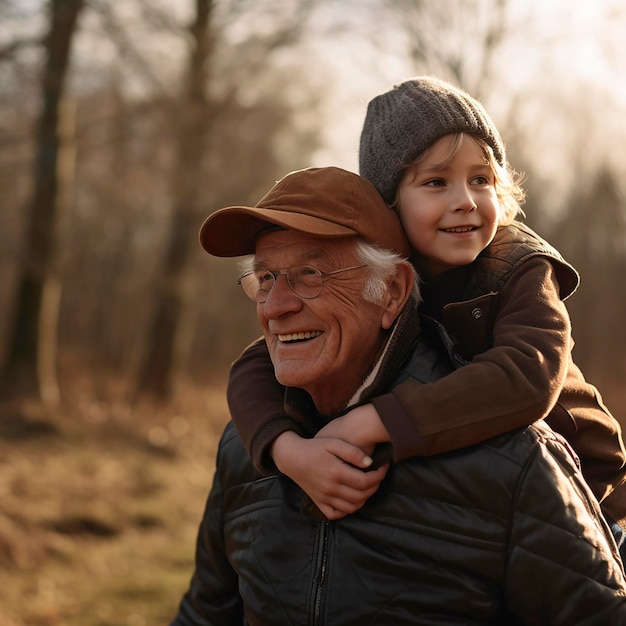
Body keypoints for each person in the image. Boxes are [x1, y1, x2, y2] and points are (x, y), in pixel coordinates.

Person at [171, 166, 626, 625]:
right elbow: (204, 614)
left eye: (310, 275)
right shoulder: (248, 445)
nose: (274, 307)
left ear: (391, 293)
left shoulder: (514, 460)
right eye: (265, 279)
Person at [225, 76, 626, 550]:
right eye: (436, 182)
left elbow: (527, 376)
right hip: (486, 487)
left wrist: (372, 422)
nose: (465, 199)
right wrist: (289, 452)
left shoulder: (520, 267)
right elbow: (255, 365)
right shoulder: (387, 275)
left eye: (481, 179)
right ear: (391, 203)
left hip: (587, 484)